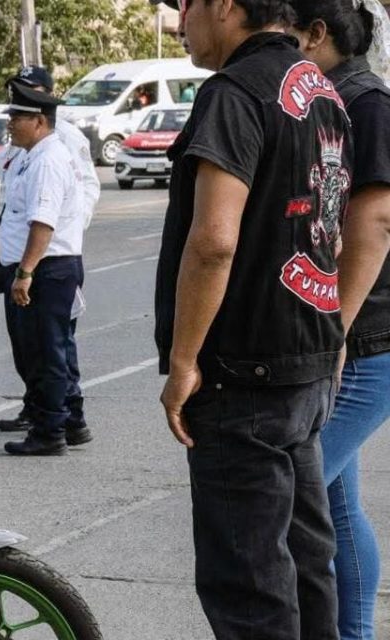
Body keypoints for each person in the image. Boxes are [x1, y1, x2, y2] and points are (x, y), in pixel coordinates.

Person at [153, 0, 353, 637]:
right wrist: (335, 327)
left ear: (225, 6)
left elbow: (214, 239)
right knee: (305, 563)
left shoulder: (234, 92)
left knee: (249, 582)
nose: (182, 21)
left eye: (187, 6)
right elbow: (331, 231)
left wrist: (183, 362)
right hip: (307, 354)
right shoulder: (321, 87)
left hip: (243, 372)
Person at [288, 2, 390, 638]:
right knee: (339, 510)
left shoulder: (367, 103)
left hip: (364, 340)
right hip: (348, 338)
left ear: (318, 34)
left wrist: (335, 333)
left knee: (287, 502)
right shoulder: (331, 95)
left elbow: (376, 226)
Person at [0, 66, 100, 440]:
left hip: (48, 263)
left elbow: (48, 216)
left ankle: (53, 425)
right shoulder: (26, 151)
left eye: (17, 113)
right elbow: (14, 203)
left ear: (40, 116)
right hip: (34, 258)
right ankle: (56, 416)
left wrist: (30, 266)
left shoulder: (55, 149)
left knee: (50, 350)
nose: (10, 121)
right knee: (36, 348)